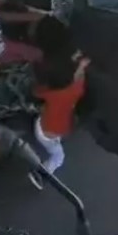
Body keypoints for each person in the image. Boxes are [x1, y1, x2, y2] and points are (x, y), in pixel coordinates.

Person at [27, 17, 90, 190]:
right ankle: (40, 173)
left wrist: (76, 65)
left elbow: (70, 76)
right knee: (58, 157)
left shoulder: (46, 86)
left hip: (40, 125)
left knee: (55, 122)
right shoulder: (73, 91)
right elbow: (78, 79)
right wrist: (82, 66)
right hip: (50, 131)